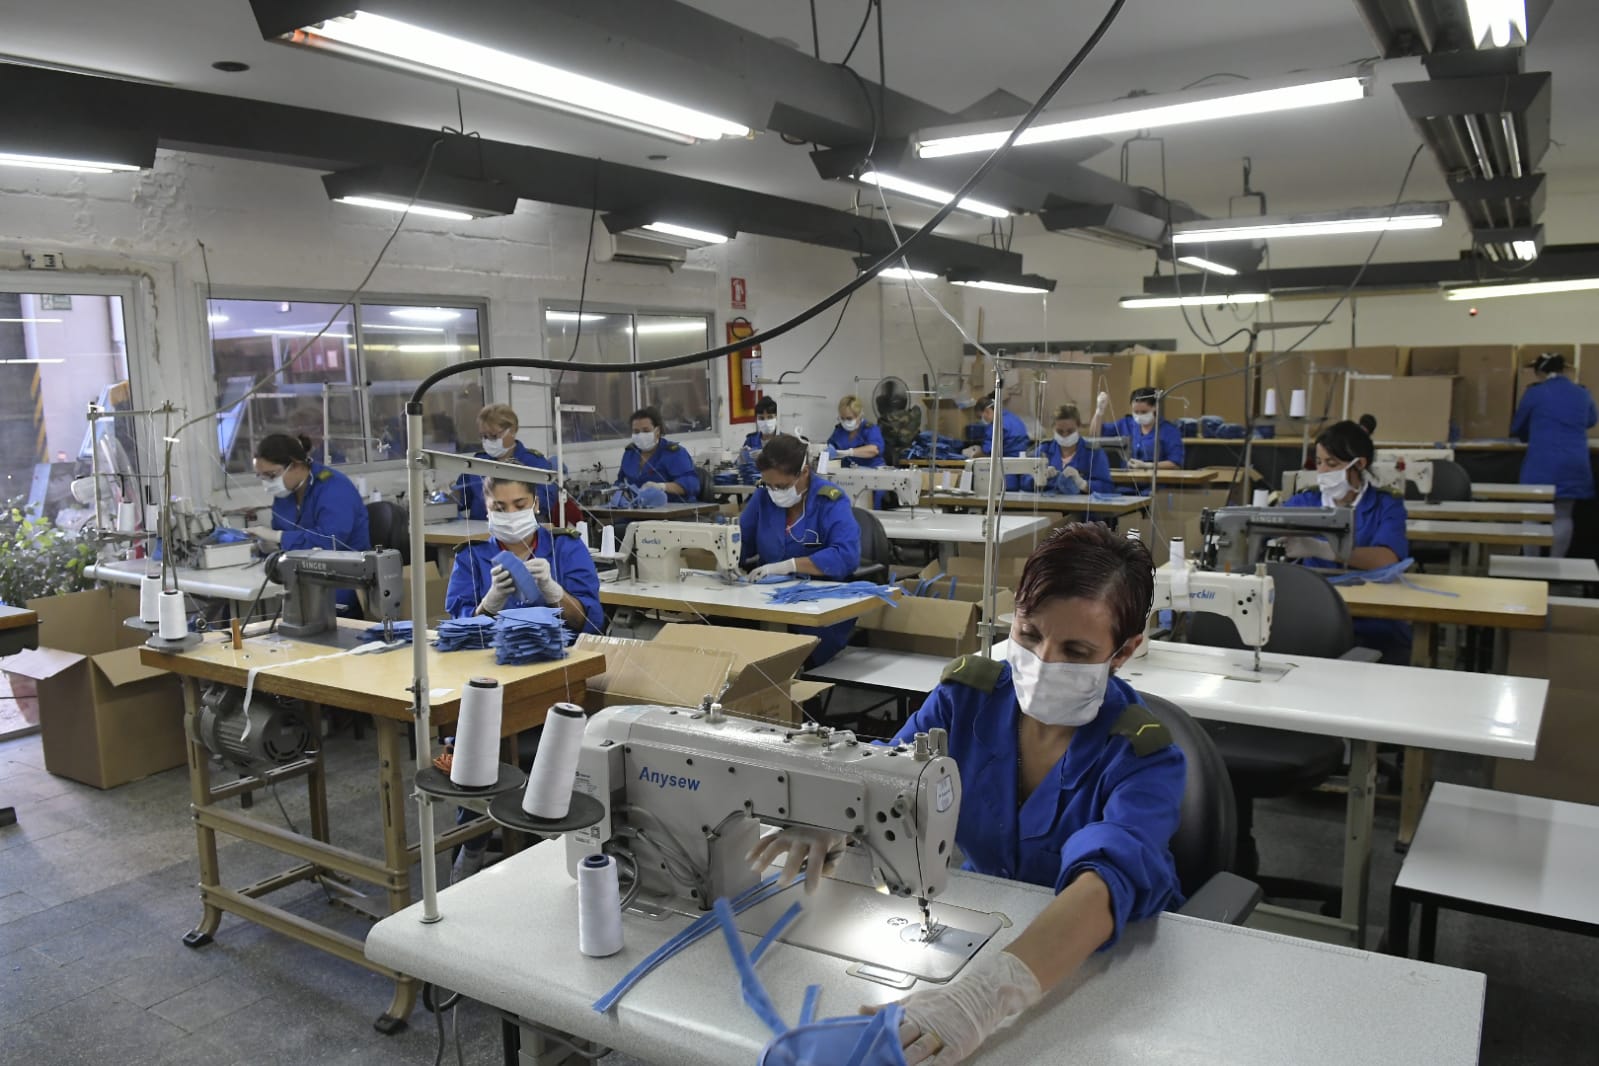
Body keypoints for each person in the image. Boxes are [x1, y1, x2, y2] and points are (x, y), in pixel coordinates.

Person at [748, 524, 1185, 1064]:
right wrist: (832, 812)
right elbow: (887, 777)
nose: (1045, 661)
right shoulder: (965, 699)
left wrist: (979, 1000)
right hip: (991, 913)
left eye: (1076, 650)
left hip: (1095, 964)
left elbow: (1105, 882)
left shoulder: (1144, 755)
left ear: (1123, 651)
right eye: (1029, 635)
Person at [443, 465, 603, 881]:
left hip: (554, 680)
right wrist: (490, 603)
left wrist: (556, 592)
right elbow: (459, 630)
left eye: (518, 504)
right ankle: (473, 845)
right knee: (475, 750)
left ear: (534, 503)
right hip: (491, 681)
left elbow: (589, 621)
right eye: (499, 506)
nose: (509, 513)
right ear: (486, 506)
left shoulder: (565, 550)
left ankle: (547, 849)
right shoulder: (471, 558)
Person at [1281, 420, 1411, 663]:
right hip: (1314, 614)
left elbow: (1387, 559)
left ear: (1359, 464)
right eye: (1319, 463)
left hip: (1373, 621)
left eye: (1332, 464)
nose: (1322, 471)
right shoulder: (1305, 503)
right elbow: (1269, 527)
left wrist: (1326, 550)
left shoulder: (1386, 505)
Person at [738, 434, 861, 666]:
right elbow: (742, 538)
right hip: (766, 601)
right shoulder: (764, 497)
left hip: (820, 607)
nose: (774, 491)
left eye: (782, 486)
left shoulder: (830, 501)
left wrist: (790, 565)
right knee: (731, 638)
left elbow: (847, 555)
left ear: (804, 472)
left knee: (780, 660)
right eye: (769, 484)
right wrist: (728, 559)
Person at [248, 432, 371, 617]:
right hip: (302, 574)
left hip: (344, 579)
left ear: (295, 465)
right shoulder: (285, 494)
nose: (267, 483)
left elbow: (330, 541)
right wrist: (265, 545)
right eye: (261, 476)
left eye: (271, 475)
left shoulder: (334, 488)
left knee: (309, 615)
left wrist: (280, 538)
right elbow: (282, 534)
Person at [1512, 352, 1596, 558]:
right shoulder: (1582, 392)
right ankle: (1556, 567)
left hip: (1542, 462)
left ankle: (1532, 568)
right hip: (1575, 462)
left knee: (1532, 514)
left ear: (1539, 371)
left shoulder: (1535, 393)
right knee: (1563, 515)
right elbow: (1591, 420)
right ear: (1563, 370)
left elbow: (1517, 426)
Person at [456, 404, 562, 522]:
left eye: (493, 436)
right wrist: (445, 499)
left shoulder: (534, 462)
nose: (487, 441)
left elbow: (546, 501)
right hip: (481, 533)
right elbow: (462, 498)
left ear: (512, 431)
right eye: (483, 436)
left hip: (520, 531)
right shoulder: (478, 463)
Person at [616, 406, 700, 500]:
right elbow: (620, 482)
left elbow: (692, 484)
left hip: (675, 510)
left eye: (646, 431)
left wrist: (662, 487)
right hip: (639, 509)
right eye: (636, 432)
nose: (640, 435)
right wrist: (620, 492)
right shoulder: (630, 454)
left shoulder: (674, 453)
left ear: (657, 431)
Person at [1028, 404, 1114, 495]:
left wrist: (1083, 484)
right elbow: (1024, 480)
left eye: (1070, 431)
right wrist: (1038, 478)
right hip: (1048, 506)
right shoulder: (1043, 450)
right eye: (1060, 431)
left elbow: (1107, 487)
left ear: (1079, 427)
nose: (1065, 435)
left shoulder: (1093, 453)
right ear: (1053, 428)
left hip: (1080, 507)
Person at [1092, 387, 1184, 470]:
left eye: (1144, 412)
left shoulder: (1169, 431)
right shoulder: (1126, 423)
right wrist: (1099, 411)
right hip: (1126, 483)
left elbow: (1175, 463)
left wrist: (1148, 466)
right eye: (1135, 411)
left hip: (1155, 484)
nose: (1139, 416)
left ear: (1155, 407)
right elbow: (1095, 434)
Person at [826, 395, 886, 468]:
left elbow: (873, 450)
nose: (845, 422)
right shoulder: (840, 430)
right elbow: (831, 446)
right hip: (847, 472)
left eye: (849, 418)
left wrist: (849, 452)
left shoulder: (870, 429)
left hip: (872, 471)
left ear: (860, 415)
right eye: (842, 418)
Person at [738, 396, 780, 484]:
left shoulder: (784, 441)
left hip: (777, 488)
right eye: (761, 418)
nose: (766, 421)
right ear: (756, 420)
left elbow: (789, 469)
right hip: (756, 486)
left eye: (770, 417)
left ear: (776, 417)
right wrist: (742, 459)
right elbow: (741, 469)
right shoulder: (750, 440)